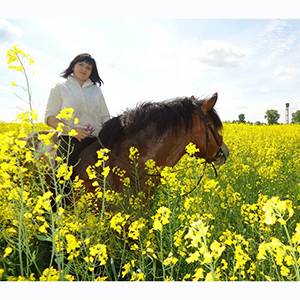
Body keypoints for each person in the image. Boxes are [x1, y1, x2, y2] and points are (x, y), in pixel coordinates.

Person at [44, 53, 110, 204]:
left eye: (89, 67)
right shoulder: (60, 88)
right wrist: (72, 131)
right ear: (73, 65)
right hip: (71, 139)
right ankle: (54, 215)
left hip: (97, 139)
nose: (84, 69)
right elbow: (50, 117)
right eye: (81, 64)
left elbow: (105, 117)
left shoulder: (96, 91)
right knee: (62, 178)